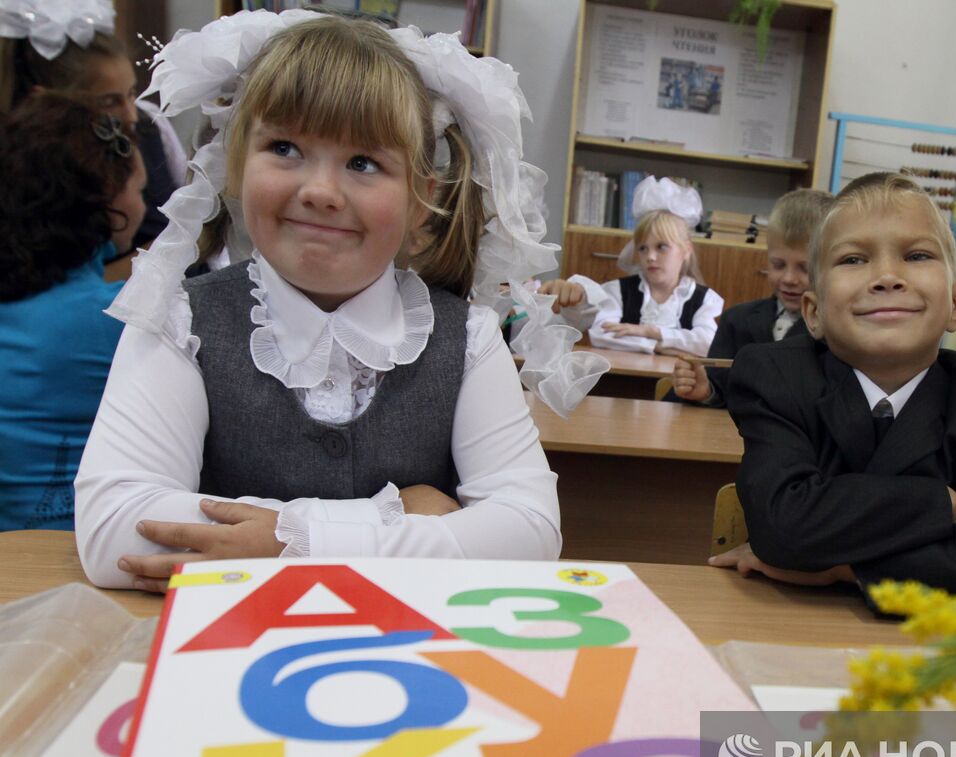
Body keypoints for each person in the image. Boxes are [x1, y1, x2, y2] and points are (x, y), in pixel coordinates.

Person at [74, 11, 573, 591]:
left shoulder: (469, 338)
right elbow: (116, 534)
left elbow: (531, 536)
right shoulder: (179, 319)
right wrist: (395, 519)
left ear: (420, 199)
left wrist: (280, 544)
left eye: (364, 163)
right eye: (284, 147)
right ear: (238, 162)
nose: (319, 192)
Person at [711, 172, 956, 597]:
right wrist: (940, 503)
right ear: (813, 313)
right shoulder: (776, 378)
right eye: (853, 260)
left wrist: (847, 569)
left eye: (917, 255)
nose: (887, 277)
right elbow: (784, 528)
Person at [0, 93, 146, 531]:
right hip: (73, 551)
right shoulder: (113, 317)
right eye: (141, 191)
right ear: (110, 201)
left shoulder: (25, 299)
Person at [0, 0, 186, 247]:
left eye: (131, 94)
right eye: (109, 102)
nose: (131, 116)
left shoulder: (150, 128)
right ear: (47, 105)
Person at [671, 188, 832, 407]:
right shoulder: (735, 321)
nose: (789, 278)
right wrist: (706, 391)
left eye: (805, 269)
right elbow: (720, 389)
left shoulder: (837, 333)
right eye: (778, 265)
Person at [539, 175, 723, 356]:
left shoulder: (704, 299)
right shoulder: (618, 291)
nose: (650, 256)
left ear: (686, 250)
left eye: (662, 247)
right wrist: (658, 347)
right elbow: (602, 333)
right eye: (643, 248)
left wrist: (649, 332)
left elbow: (708, 342)